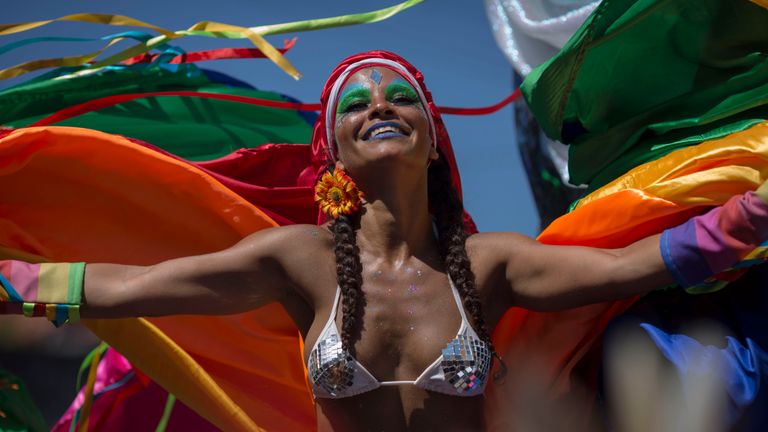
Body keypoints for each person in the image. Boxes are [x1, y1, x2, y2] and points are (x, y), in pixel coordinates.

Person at [2, 51, 767, 431]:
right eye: (356, 102)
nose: (380, 106)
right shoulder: (296, 261)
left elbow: (640, 262)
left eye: (401, 96)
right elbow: (124, 289)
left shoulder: (490, 263)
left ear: (434, 143)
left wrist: (748, 214)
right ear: (329, 148)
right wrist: (14, 284)